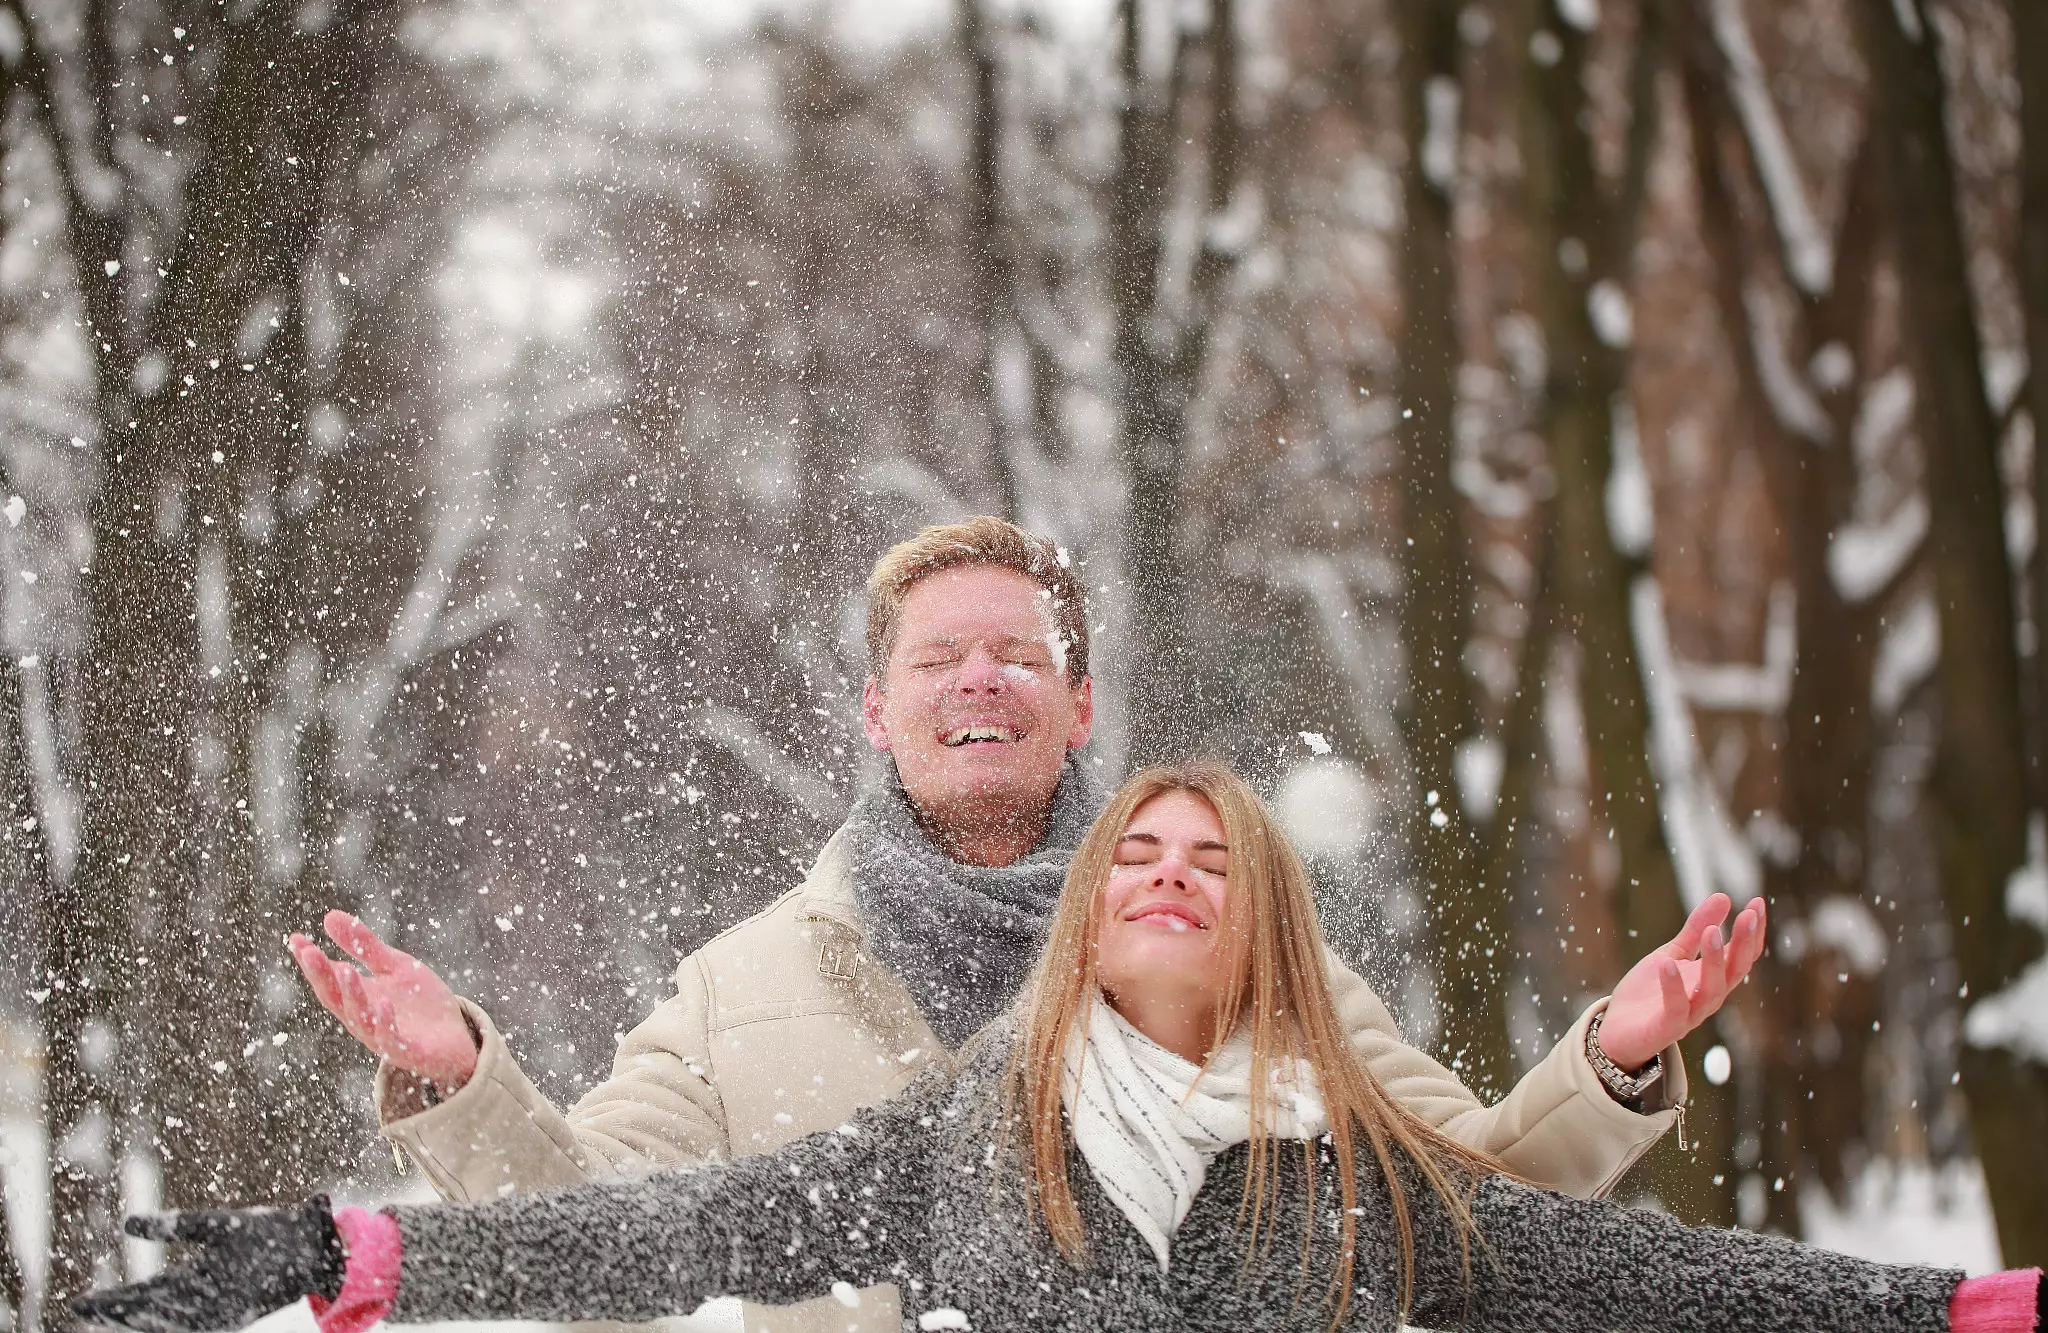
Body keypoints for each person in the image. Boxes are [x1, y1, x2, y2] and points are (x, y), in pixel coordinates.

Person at [282, 517, 1765, 1333]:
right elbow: (599, 1242)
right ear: (877, 712)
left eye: (1016, 654)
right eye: (939, 658)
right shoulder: (743, 987)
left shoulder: (1244, 954)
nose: (977, 681)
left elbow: (1465, 1209)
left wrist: (1611, 1063)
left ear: (1080, 707)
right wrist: (461, 1077)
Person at [78, 763, 2038, 1333]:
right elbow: (649, 1231)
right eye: (1145, 857)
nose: (1173, 876)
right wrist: (373, 1239)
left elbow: (1620, 1263)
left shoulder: (1356, 1156)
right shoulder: (951, 1135)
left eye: (1216, 858)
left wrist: (1950, 1313)